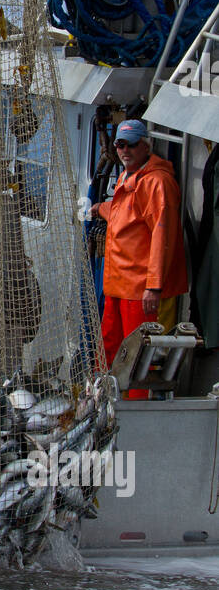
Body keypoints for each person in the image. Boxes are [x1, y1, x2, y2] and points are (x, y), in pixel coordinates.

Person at [90, 118, 188, 399]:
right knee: (110, 346)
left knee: (137, 356)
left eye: (132, 144)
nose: (124, 150)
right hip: (117, 283)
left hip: (139, 289)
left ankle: (134, 413)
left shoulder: (158, 182)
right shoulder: (127, 175)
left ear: (146, 146)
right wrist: (101, 209)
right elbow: (126, 212)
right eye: (120, 144)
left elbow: (162, 235)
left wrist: (153, 286)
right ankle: (102, 402)